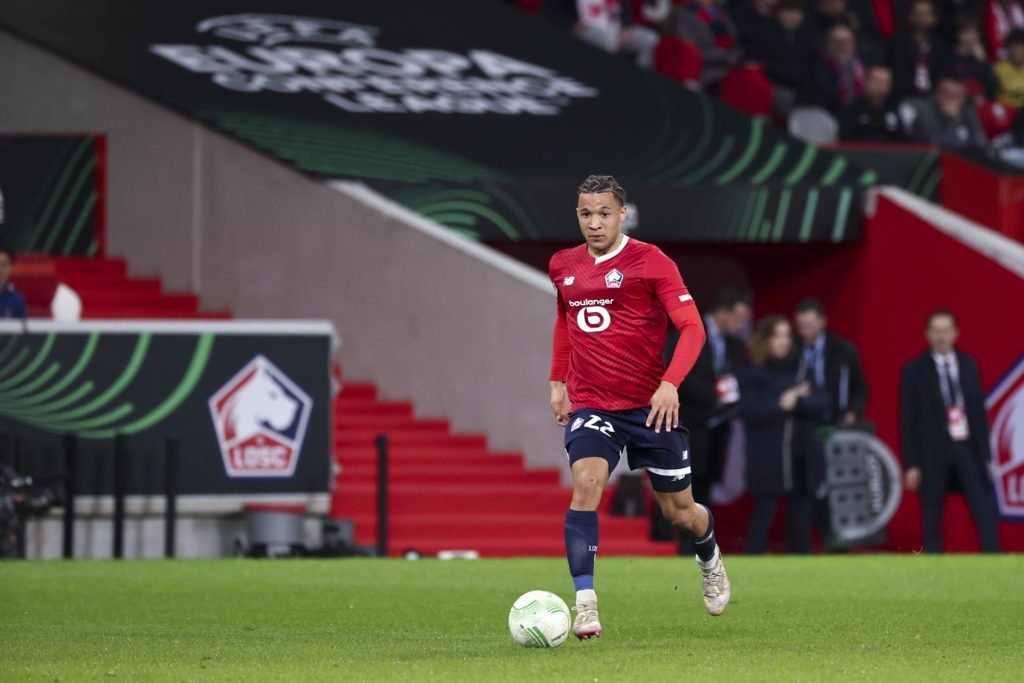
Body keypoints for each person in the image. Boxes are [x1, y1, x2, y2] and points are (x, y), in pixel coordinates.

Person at [549, 174, 730, 639]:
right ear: (577, 215)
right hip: (594, 404)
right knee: (586, 483)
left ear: (621, 214)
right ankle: (585, 605)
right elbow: (565, 322)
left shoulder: (651, 261)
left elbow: (692, 328)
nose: (595, 223)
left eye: (604, 213)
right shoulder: (562, 265)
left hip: (652, 408)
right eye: (586, 214)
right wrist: (556, 379)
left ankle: (708, 554)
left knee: (680, 514)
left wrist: (671, 383)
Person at [900, 309, 1001, 553]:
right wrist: (911, 463)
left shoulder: (968, 365)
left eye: (946, 331)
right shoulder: (914, 370)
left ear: (956, 333)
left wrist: (987, 457)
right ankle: (934, 572)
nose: (941, 336)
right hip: (932, 452)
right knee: (932, 514)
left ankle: (995, 564)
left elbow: (978, 414)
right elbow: (907, 420)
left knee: (984, 510)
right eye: (936, 331)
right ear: (927, 334)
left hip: (967, 446)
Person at [739, 315, 831, 554]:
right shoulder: (754, 373)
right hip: (768, 458)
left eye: (787, 335)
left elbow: (823, 401)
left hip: (799, 458)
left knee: (801, 521)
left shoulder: (800, 369)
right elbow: (749, 411)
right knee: (763, 516)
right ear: (765, 339)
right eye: (777, 335)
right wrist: (781, 404)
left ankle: (802, 576)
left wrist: (797, 401)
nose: (783, 341)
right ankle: (752, 570)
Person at [676, 287, 751, 510]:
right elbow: (680, 372)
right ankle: (671, 541)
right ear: (722, 313)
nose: (741, 325)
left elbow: (738, 374)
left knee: (705, 486)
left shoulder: (736, 345)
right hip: (687, 423)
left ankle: (699, 541)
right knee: (680, 487)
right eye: (737, 319)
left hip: (718, 427)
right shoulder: (691, 331)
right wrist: (712, 396)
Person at [792, 297, 868, 427]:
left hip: (835, 421)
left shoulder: (842, 350)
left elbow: (860, 389)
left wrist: (853, 412)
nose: (805, 330)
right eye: (801, 326)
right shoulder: (792, 350)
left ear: (822, 321)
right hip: (800, 423)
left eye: (809, 325)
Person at [543, 0, 661, 68]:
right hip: (587, 30)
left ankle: (641, 78)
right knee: (606, 42)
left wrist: (626, 26)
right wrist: (572, 26)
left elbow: (624, 7)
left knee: (651, 40)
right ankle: (608, 81)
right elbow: (550, 12)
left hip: (616, 28)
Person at [886, 0, 949, 100]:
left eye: (926, 14)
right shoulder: (898, 42)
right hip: (905, 96)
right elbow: (899, 74)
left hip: (934, 97)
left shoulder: (940, 45)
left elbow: (942, 74)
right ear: (909, 16)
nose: (922, 18)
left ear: (934, 18)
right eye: (918, 14)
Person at [672, 0, 743, 87]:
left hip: (733, 66)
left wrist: (734, 57)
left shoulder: (721, 12)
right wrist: (725, 56)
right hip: (707, 71)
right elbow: (691, 50)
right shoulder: (684, 14)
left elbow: (736, 39)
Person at [801, 25, 869, 113]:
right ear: (828, 44)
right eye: (837, 42)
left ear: (854, 43)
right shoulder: (819, 69)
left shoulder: (864, 65)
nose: (842, 46)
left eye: (846, 41)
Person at [908, 76, 988, 146]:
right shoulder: (925, 111)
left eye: (957, 95)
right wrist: (951, 120)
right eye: (946, 94)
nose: (951, 100)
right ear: (937, 93)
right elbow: (939, 147)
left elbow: (980, 142)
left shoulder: (967, 111)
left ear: (964, 98)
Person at [838, 64, 909, 141]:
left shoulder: (896, 110)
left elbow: (904, 143)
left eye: (885, 83)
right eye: (877, 81)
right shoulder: (851, 110)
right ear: (865, 82)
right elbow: (846, 143)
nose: (881, 87)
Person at [945, 18, 999, 103]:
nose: (971, 35)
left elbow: (993, 85)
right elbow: (948, 84)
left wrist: (983, 61)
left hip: (980, 101)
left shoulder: (982, 57)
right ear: (958, 34)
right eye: (966, 32)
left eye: (974, 32)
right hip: (957, 99)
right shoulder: (949, 56)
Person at [994, 27, 1024, 106]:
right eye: (1015, 47)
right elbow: (1007, 87)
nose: (1017, 51)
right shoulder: (999, 68)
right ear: (1008, 48)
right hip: (1006, 110)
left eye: (1021, 47)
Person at [0, 245, 27, 320]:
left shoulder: (16, 299)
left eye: (4, 265)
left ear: (10, 269)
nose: (0, 271)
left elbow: (22, 330)